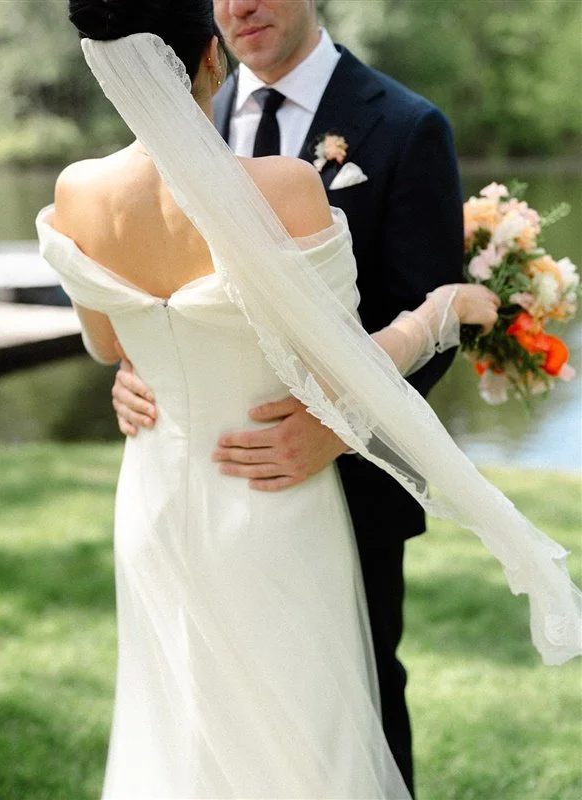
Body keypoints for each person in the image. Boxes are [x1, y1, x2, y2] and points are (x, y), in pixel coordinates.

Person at [37, 2, 582, 798]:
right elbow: (343, 361)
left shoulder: (77, 190)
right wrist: (443, 313)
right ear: (211, 59)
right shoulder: (288, 186)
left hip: (162, 498)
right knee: (310, 744)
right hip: (273, 512)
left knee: (190, 728)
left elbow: (108, 339)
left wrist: (153, 360)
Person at [111, 1, 465, 791]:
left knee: (351, 713)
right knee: (202, 710)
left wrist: (339, 429)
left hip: (349, 484)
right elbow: (148, 280)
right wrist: (138, 365)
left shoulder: (407, 126)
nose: (240, 6)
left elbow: (430, 301)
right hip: (194, 489)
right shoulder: (178, 112)